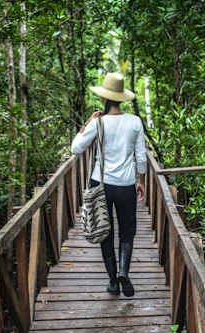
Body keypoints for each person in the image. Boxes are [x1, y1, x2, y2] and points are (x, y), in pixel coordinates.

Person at [71, 72, 146, 297]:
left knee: (105, 232)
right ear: (121, 98)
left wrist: (88, 122)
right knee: (127, 231)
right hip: (126, 184)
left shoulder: (99, 122)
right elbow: (141, 157)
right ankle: (123, 271)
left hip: (101, 183)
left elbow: (75, 148)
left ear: (104, 98)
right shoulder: (135, 122)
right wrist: (140, 181)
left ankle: (113, 282)